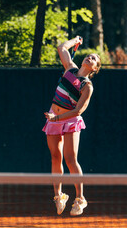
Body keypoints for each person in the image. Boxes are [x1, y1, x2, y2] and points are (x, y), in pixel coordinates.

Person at [42, 36, 101, 216]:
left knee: (70, 158)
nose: (89, 58)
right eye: (88, 56)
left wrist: (56, 119)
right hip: (54, 118)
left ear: (95, 69)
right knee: (55, 156)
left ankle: (80, 199)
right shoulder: (70, 69)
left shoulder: (87, 86)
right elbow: (61, 48)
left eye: (94, 59)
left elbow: (77, 111)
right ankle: (59, 196)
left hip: (68, 120)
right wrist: (75, 40)